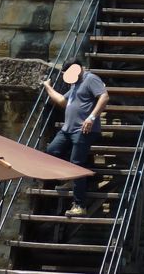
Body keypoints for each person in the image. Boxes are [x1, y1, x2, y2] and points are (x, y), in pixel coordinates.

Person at [43, 59, 109, 217]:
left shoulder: (90, 79)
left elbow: (104, 97)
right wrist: (47, 87)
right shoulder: (75, 84)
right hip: (68, 129)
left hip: (83, 130)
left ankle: (80, 205)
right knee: (52, 151)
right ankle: (69, 179)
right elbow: (62, 101)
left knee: (77, 164)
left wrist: (91, 118)